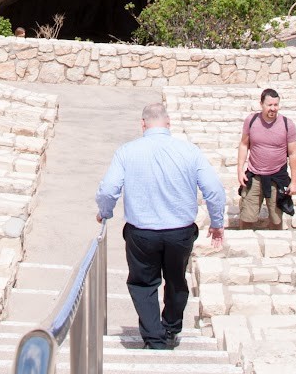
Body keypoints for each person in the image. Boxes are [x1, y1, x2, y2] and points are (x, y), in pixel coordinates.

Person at [95, 103, 226, 350]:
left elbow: (109, 188)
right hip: (180, 231)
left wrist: (105, 212)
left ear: (143, 124)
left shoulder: (127, 151)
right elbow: (214, 190)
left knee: (143, 283)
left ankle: (154, 338)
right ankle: (171, 327)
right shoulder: (190, 151)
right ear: (168, 124)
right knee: (176, 280)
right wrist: (217, 223)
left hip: (142, 232)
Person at [235, 88, 296, 230]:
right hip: (254, 175)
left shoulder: (288, 125)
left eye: (276, 105)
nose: (273, 108)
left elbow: (293, 154)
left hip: (277, 178)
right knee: (246, 217)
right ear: (261, 104)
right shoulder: (251, 121)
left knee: (276, 220)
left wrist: (294, 182)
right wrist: (240, 171)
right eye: (269, 105)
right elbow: (244, 145)